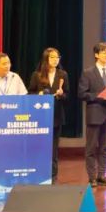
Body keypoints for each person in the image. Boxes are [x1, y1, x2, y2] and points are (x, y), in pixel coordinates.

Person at [78, 41, 106, 188]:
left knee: (104, 147)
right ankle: (92, 178)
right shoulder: (88, 72)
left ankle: (102, 176)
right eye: (104, 52)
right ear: (96, 55)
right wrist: (100, 96)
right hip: (94, 114)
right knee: (91, 148)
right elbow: (82, 94)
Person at [27, 47, 70, 181]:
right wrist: (39, 94)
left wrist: (61, 94)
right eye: (52, 57)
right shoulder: (37, 75)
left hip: (56, 115)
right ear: (46, 59)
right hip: (40, 116)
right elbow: (30, 93)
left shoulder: (63, 74)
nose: (55, 60)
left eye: (57, 57)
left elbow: (67, 95)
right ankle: (38, 172)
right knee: (40, 145)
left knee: (54, 147)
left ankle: (53, 174)